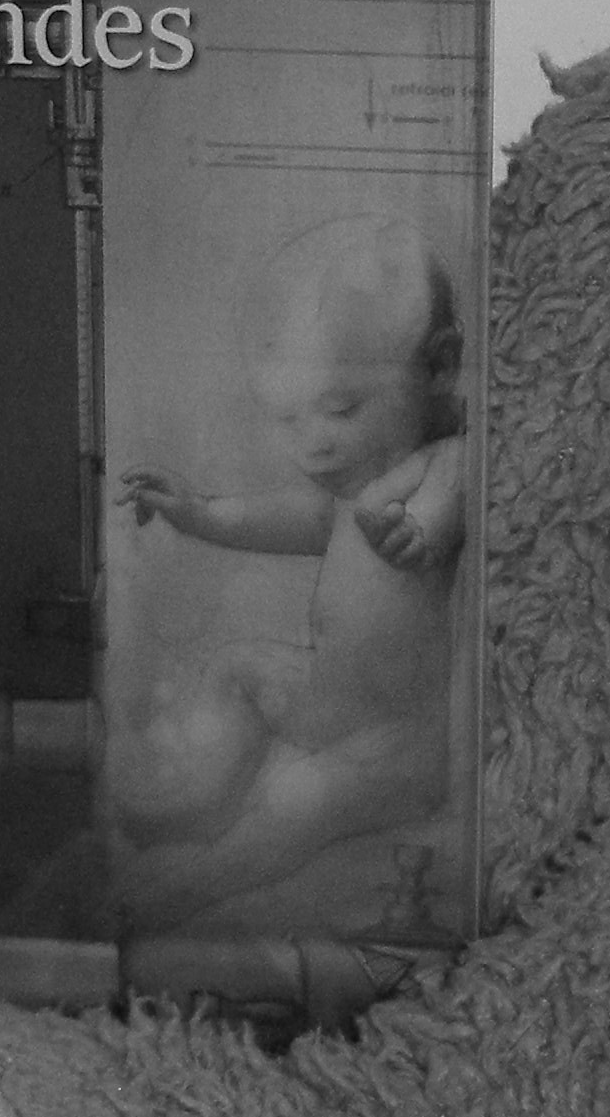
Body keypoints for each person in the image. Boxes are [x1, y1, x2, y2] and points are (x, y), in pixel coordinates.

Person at [112, 215, 467, 928]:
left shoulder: (447, 460)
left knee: (299, 798)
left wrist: (420, 531)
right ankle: (193, 799)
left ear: (438, 367)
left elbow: (444, 507)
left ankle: (201, 880)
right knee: (236, 667)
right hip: (328, 698)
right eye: (288, 420)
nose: (313, 446)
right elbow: (285, 519)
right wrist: (198, 514)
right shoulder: (350, 489)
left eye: (340, 409)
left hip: (403, 741)